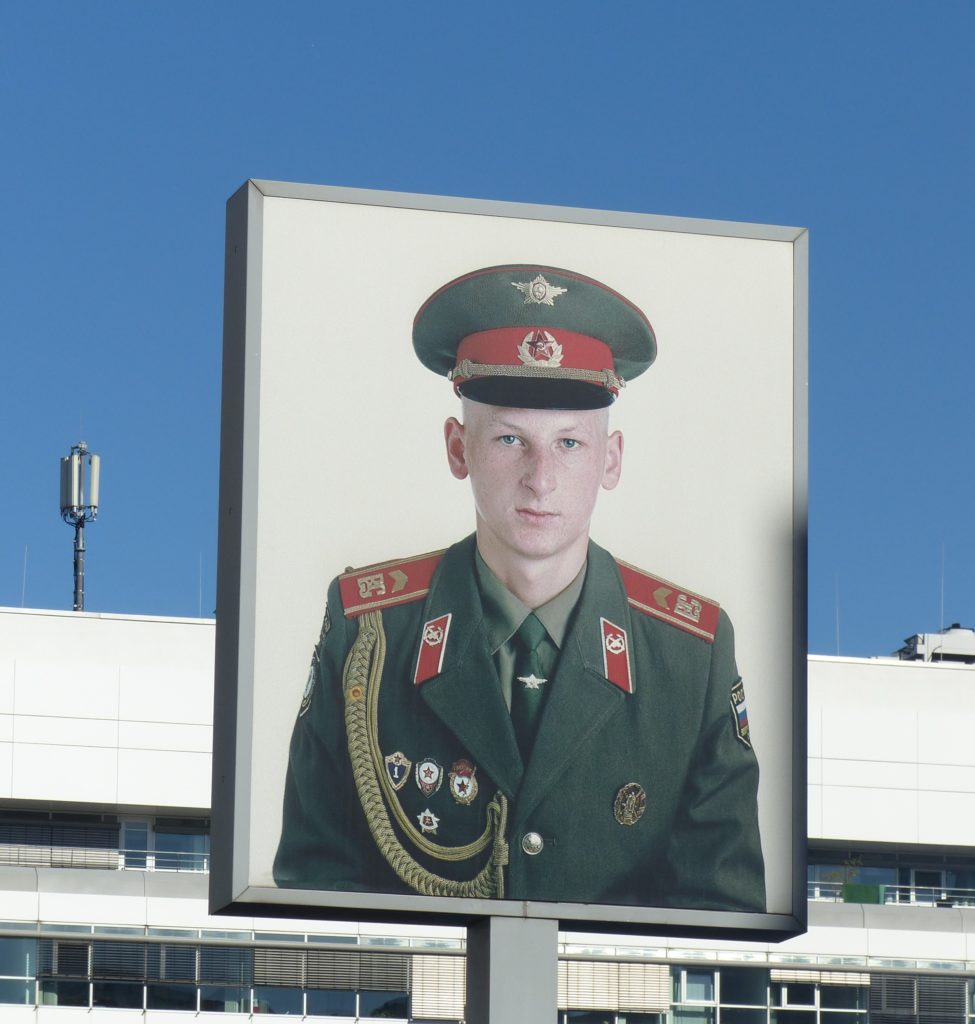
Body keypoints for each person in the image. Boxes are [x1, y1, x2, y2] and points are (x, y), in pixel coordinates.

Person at [273, 264, 765, 911]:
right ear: (458, 449)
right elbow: (316, 892)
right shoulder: (371, 628)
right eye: (510, 439)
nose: (540, 478)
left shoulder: (687, 653)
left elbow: (723, 916)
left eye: (567, 443)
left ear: (609, 460)